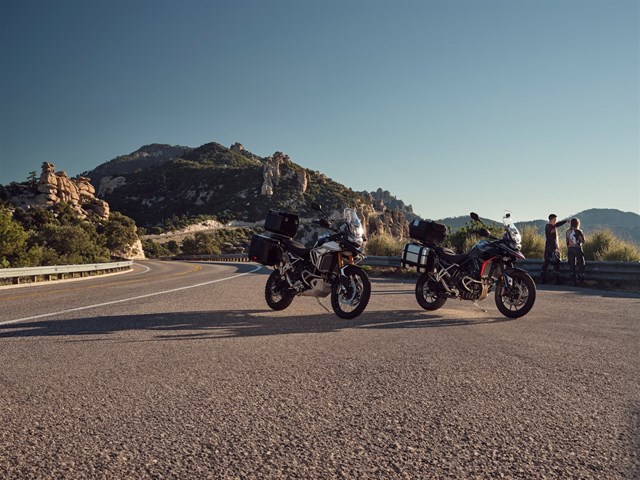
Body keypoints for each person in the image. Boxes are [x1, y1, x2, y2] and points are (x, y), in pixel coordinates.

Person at [540, 214, 568, 284]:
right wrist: (556, 248)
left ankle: (542, 279)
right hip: (553, 248)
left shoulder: (547, 226)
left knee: (546, 263)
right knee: (557, 263)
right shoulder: (552, 228)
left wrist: (565, 221)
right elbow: (554, 239)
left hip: (547, 247)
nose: (556, 221)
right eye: (555, 219)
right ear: (552, 220)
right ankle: (556, 280)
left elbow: (557, 225)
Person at [566, 217, 586, 286]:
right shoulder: (578, 231)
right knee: (581, 264)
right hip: (577, 248)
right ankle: (581, 281)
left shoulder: (568, 232)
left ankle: (573, 281)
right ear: (577, 224)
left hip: (570, 249)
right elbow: (583, 241)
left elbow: (567, 242)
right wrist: (582, 235)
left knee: (572, 265)